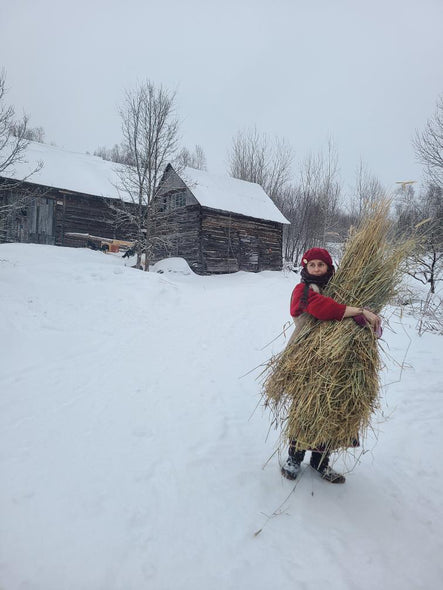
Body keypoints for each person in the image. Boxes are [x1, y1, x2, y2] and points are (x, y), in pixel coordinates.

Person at [281, 247, 381, 484]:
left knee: (331, 407)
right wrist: (358, 311)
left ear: (329, 268)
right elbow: (322, 310)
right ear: (305, 268)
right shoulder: (303, 289)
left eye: (321, 265)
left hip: (337, 361)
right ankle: (294, 458)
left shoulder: (339, 288)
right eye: (312, 265)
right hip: (308, 357)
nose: (316, 269)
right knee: (306, 408)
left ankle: (320, 462)